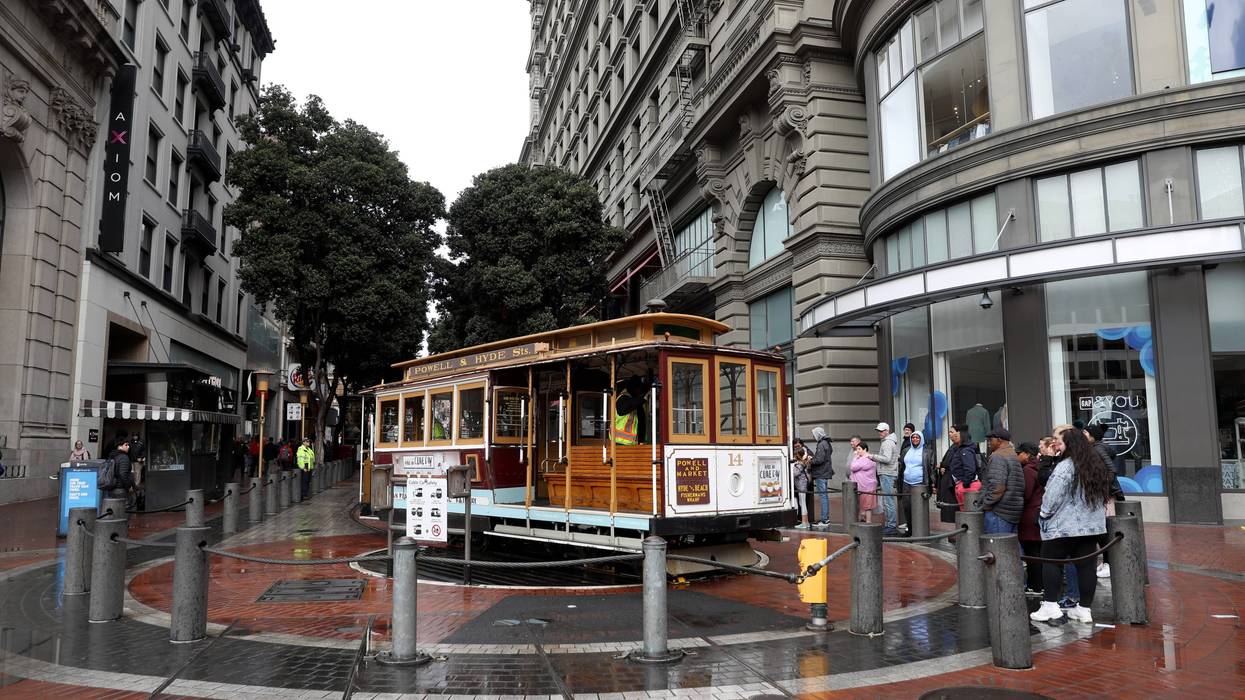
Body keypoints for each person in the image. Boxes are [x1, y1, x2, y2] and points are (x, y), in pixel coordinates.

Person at [1031, 427, 1113, 624]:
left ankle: (1050, 606)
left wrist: (1043, 514)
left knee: (1051, 562)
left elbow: (1051, 497)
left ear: (1070, 444)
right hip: (1091, 527)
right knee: (1086, 568)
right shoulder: (1096, 465)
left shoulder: (1065, 467)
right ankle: (1084, 609)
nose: (1057, 445)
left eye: (1061, 442)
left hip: (1062, 527)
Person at [977, 428, 1024, 534]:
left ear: (999, 440)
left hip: (999, 511)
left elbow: (997, 487)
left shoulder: (998, 456)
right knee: (1011, 546)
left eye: (990, 440)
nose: (988, 443)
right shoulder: (1012, 454)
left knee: (997, 547)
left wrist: (986, 504)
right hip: (1012, 510)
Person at [1017, 441, 1044, 595]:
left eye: (1019, 453)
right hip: (1038, 514)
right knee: (1038, 552)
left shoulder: (1028, 470)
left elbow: (1025, 494)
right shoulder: (1039, 467)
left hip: (1029, 516)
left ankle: (1035, 585)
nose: (1017, 456)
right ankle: (1040, 584)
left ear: (1026, 454)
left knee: (1032, 553)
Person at [867, 422, 900, 535]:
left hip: (887, 474)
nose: (880, 433)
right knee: (888, 500)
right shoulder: (889, 442)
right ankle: (889, 524)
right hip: (888, 473)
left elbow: (887, 459)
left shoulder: (887, 443)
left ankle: (891, 525)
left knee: (888, 500)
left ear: (887, 431)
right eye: (879, 431)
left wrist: (872, 456)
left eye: (881, 431)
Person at [808, 426, 834, 527]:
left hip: (821, 473)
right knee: (824, 496)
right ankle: (825, 518)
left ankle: (824, 519)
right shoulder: (827, 443)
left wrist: (810, 461)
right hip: (825, 472)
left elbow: (819, 459)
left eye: (814, 434)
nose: (813, 436)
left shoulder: (821, 444)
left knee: (823, 496)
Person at [850, 440, 878, 523]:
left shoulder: (868, 458)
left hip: (867, 487)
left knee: (867, 506)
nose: (857, 451)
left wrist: (855, 458)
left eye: (859, 449)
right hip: (860, 487)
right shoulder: (860, 458)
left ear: (865, 449)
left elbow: (853, 467)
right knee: (861, 506)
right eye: (857, 449)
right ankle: (861, 521)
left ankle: (868, 522)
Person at [107, 438, 136, 507]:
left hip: (112, 488)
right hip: (121, 489)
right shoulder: (124, 457)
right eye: (126, 445)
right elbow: (123, 474)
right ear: (119, 446)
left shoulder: (112, 456)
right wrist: (129, 486)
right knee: (124, 511)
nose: (128, 447)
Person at [792, 438, 814, 529]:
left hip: (801, 486)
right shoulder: (803, 462)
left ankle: (804, 522)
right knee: (802, 503)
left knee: (802, 503)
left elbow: (795, 474)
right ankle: (806, 522)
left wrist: (793, 466)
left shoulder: (799, 464)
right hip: (803, 485)